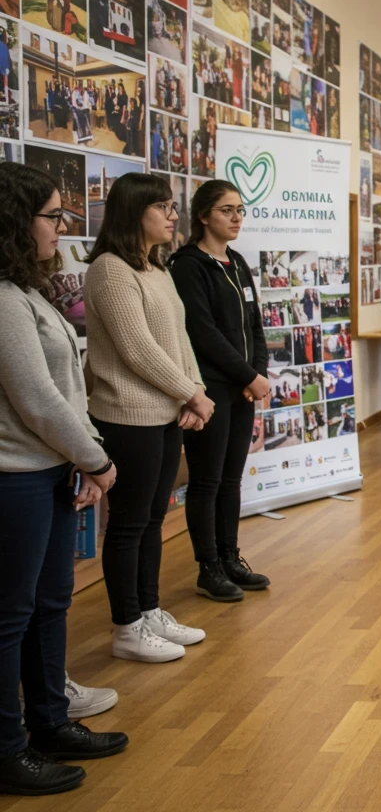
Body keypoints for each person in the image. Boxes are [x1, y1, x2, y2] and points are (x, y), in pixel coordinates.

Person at [0, 163, 128, 796]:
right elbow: (38, 400)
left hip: (52, 467)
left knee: (52, 604)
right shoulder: (1, 299)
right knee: (11, 616)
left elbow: (65, 391)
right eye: (52, 215)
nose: (61, 227)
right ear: (16, 221)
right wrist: (98, 460)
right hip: (15, 477)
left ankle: (50, 721)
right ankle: (7, 748)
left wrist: (82, 455)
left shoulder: (26, 292)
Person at [85, 173, 215, 662]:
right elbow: (136, 349)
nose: (172, 215)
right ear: (134, 212)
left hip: (164, 414)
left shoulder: (156, 269)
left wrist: (193, 391)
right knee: (129, 523)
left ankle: (149, 610)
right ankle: (126, 627)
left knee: (154, 519)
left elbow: (178, 342)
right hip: (126, 416)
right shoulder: (109, 270)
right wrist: (190, 394)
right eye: (162, 206)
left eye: (171, 206)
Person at [168, 180, 271, 604]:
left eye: (240, 210)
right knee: (207, 481)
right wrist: (247, 375)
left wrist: (257, 371)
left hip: (243, 387)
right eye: (227, 210)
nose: (236, 218)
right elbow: (203, 333)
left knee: (231, 480)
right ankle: (208, 566)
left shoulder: (237, 262)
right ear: (204, 215)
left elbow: (254, 325)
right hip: (210, 390)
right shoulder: (188, 265)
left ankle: (231, 558)